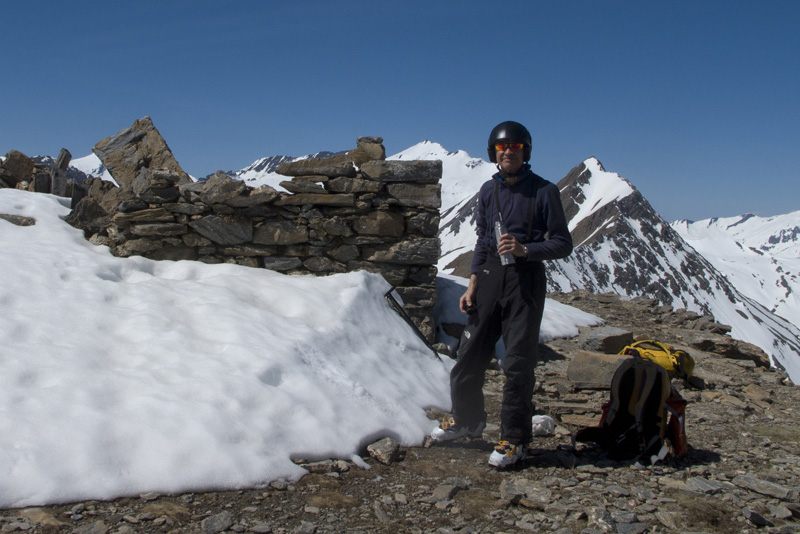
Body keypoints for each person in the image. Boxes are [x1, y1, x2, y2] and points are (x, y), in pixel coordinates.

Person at [431, 121, 574, 468]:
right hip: (490, 278)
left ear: (526, 152)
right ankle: (467, 420)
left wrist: (526, 250)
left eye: (515, 146)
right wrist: (473, 283)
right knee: (468, 355)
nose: (508, 151)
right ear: (493, 152)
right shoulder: (487, 190)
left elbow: (563, 243)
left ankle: (515, 439)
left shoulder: (545, 191)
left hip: (525, 281)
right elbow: (482, 240)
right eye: (501, 146)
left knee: (517, 363)